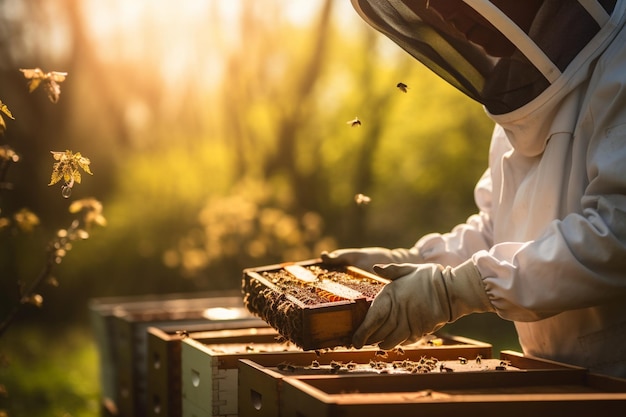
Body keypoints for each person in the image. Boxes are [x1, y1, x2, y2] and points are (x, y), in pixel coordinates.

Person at [322, 0, 626, 378]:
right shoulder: (521, 99)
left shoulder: (620, 64)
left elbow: (616, 234)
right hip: (555, 376)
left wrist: (457, 290)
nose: (439, 11)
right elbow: (496, 231)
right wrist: (409, 264)